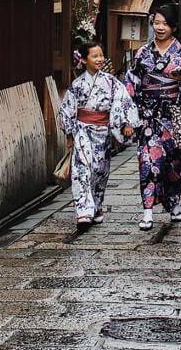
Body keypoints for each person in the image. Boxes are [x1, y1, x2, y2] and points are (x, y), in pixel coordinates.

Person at [125, 5, 181, 230]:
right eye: (156, 23)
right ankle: (147, 209)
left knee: (174, 164)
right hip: (149, 115)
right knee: (148, 161)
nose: (160, 27)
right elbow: (131, 83)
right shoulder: (142, 53)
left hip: (175, 114)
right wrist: (130, 115)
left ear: (173, 27)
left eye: (165, 24)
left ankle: (174, 202)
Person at [59, 42, 138, 229]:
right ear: (84, 60)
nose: (100, 59)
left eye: (101, 55)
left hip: (102, 131)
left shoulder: (111, 82)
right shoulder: (77, 85)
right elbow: (68, 110)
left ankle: (97, 205)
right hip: (82, 130)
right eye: (95, 56)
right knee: (82, 169)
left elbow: (124, 101)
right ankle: (83, 211)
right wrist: (69, 133)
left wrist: (126, 123)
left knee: (99, 170)